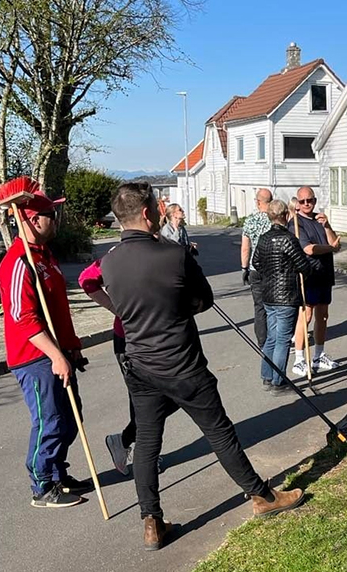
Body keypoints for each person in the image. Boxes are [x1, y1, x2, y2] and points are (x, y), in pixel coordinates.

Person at [101, 183, 303, 551]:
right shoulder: (174, 255)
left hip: (139, 364)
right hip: (181, 363)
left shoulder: (109, 261)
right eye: (157, 208)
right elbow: (202, 301)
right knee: (219, 431)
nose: (161, 212)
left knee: (147, 441)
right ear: (147, 214)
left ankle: (151, 521)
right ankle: (262, 496)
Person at [0, 178, 93, 508]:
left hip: (58, 352)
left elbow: (58, 310)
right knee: (49, 420)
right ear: (33, 219)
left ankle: (55, 472)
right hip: (34, 357)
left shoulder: (44, 256)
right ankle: (41, 485)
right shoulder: (17, 263)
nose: (57, 219)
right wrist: (55, 355)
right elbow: (24, 318)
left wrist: (72, 345)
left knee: (70, 417)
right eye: (52, 213)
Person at [79, 258, 173, 475]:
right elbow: (86, 280)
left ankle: (125, 440)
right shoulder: (118, 254)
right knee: (144, 400)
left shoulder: (163, 249)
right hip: (129, 339)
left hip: (161, 337)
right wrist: (116, 308)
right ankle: (145, 452)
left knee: (175, 396)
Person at [253, 200, 318, 393]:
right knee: (282, 339)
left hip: (269, 294)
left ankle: (267, 376)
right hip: (286, 295)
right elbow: (303, 266)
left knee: (272, 338)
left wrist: (271, 272)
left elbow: (256, 262)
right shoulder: (289, 239)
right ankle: (278, 382)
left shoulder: (264, 238)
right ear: (284, 216)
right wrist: (298, 271)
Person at [292, 186, 342, 376]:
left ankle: (318, 355)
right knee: (306, 316)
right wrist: (330, 248)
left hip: (325, 274)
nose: (307, 204)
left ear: (314, 200)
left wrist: (327, 226)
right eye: (303, 201)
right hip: (308, 275)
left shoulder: (320, 220)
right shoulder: (296, 223)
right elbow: (309, 249)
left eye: (310, 200)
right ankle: (298, 359)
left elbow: (336, 243)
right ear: (298, 203)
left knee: (323, 315)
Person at [240, 188, 273, 346]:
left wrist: (244, 267)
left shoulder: (250, 221)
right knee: (273, 306)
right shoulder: (275, 220)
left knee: (259, 307)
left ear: (258, 202)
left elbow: (245, 247)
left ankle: (262, 342)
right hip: (273, 268)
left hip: (255, 268)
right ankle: (275, 339)